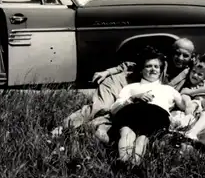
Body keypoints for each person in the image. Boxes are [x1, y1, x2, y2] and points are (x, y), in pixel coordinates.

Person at [51, 37, 196, 143]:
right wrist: (108, 72)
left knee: (112, 114)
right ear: (171, 52)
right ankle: (63, 127)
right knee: (101, 107)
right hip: (122, 81)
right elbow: (130, 65)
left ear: (191, 58)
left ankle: (84, 133)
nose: (180, 58)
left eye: (185, 55)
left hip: (136, 92)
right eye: (177, 53)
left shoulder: (188, 74)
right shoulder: (160, 62)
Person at [110, 46, 189, 164]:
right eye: (148, 66)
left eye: (156, 66)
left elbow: (184, 106)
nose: (153, 69)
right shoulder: (131, 87)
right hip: (131, 111)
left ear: (161, 71)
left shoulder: (168, 89)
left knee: (143, 137)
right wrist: (133, 98)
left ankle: (133, 166)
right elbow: (114, 109)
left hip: (156, 115)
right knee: (127, 133)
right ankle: (123, 163)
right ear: (141, 70)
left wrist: (191, 98)